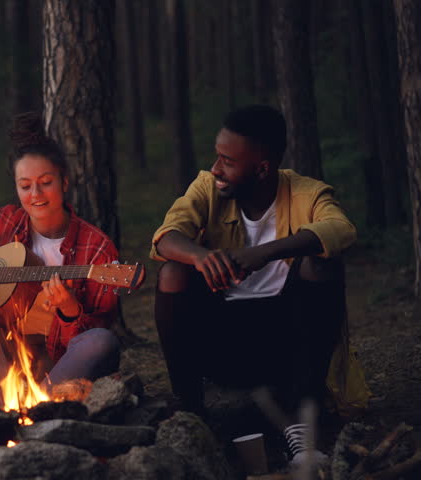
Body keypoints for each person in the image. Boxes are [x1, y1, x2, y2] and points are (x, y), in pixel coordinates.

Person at [150, 105, 356, 466]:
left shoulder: (306, 193)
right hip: (223, 339)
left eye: (227, 161)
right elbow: (167, 235)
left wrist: (263, 253)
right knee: (172, 272)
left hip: (289, 344)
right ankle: (192, 412)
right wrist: (199, 257)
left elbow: (341, 229)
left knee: (322, 265)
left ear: (262, 169)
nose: (216, 169)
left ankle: (301, 427)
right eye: (217, 156)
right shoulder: (207, 188)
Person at [0, 112, 121, 406]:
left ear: (64, 182)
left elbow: (93, 332)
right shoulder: (5, 221)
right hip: (0, 354)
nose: (35, 195)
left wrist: (69, 310)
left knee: (102, 342)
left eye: (45, 182)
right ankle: (3, 407)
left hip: (56, 362)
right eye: (25, 185)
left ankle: (36, 406)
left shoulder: (97, 249)